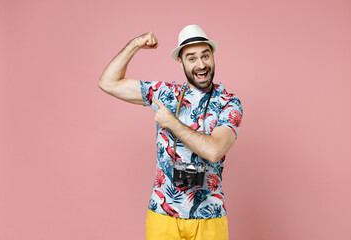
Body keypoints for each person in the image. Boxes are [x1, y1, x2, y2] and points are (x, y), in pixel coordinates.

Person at [98, 24, 243, 240]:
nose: (201, 64)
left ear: (212, 56)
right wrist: (135, 44)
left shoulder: (228, 103)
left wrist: (172, 123)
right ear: (181, 62)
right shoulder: (165, 94)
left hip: (209, 216)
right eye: (192, 58)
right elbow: (108, 82)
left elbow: (214, 151)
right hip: (162, 214)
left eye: (205, 56)